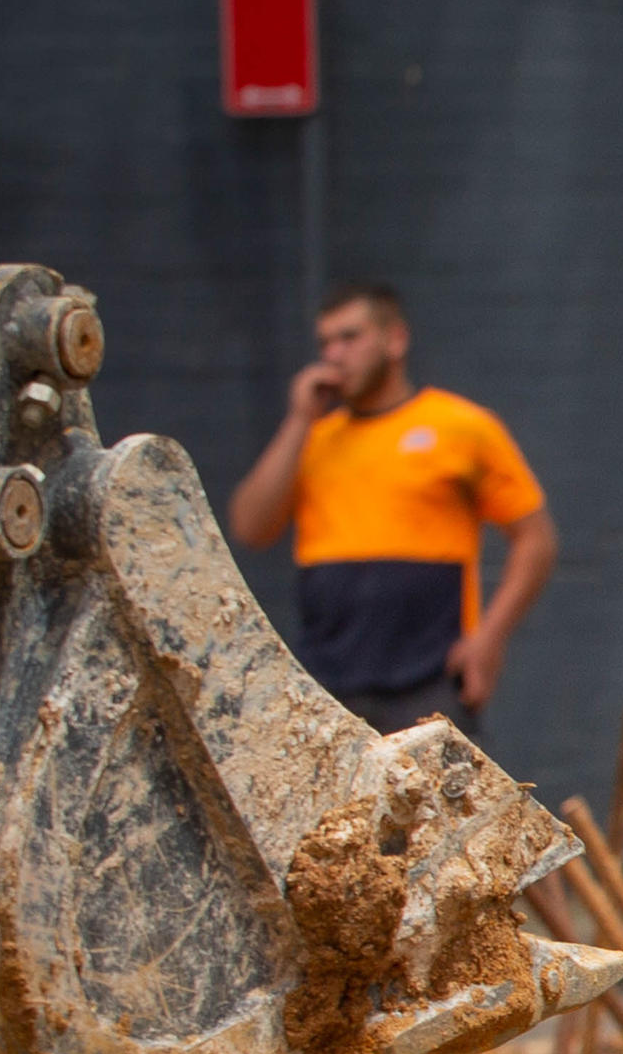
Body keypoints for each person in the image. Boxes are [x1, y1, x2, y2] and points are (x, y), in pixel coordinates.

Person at [225, 281, 557, 734]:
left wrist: (489, 638)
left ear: (395, 339)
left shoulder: (460, 426)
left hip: (429, 680)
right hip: (329, 683)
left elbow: (535, 539)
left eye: (349, 337)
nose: (334, 354)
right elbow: (250, 527)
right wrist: (300, 419)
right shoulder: (312, 440)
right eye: (325, 342)